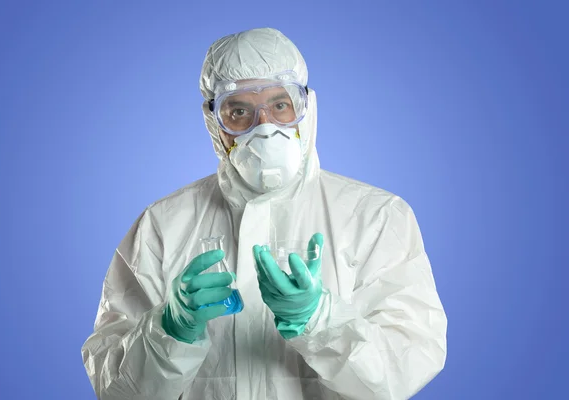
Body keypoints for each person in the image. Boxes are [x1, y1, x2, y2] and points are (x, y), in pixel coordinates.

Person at [81, 27, 447, 400]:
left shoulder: (376, 218)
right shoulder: (162, 225)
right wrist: (169, 331)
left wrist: (321, 319)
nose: (265, 126)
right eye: (238, 111)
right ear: (214, 123)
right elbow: (116, 391)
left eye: (280, 105)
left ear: (306, 110)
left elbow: (404, 371)